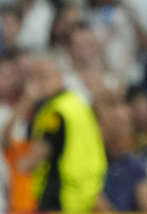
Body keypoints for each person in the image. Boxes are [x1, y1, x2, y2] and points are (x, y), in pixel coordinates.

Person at [19, 57, 107, 213]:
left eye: (44, 76)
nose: (39, 83)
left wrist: (22, 165)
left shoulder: (54, 112)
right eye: (35, 77)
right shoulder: (78, 103)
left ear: (60, 76)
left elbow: (42, 150)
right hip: (86, 193)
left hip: (60, 194)